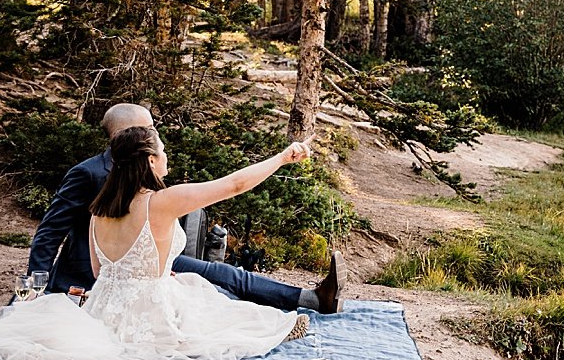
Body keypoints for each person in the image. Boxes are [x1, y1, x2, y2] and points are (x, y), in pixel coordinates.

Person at [0, 127, 315, 360]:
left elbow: (101, 271)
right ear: (149, 160)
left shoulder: (98, 209)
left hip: (101, 312)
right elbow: (235, 184)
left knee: (193, 289)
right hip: (151, 314)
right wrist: (283, 158)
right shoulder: (161, 202)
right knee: (238, 318)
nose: (166, 157)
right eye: (162, 151)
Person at [28, 103, 342, 314]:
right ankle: (292, 305)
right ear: (134, 136)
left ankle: (311, 298)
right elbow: (50, 231)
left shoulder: (143, 174)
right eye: (152, 128)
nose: (158, 134)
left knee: (222, 272)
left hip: (149, 261)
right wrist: (34, 290)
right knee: (210, 292)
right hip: (106, 274)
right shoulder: (87, 173)